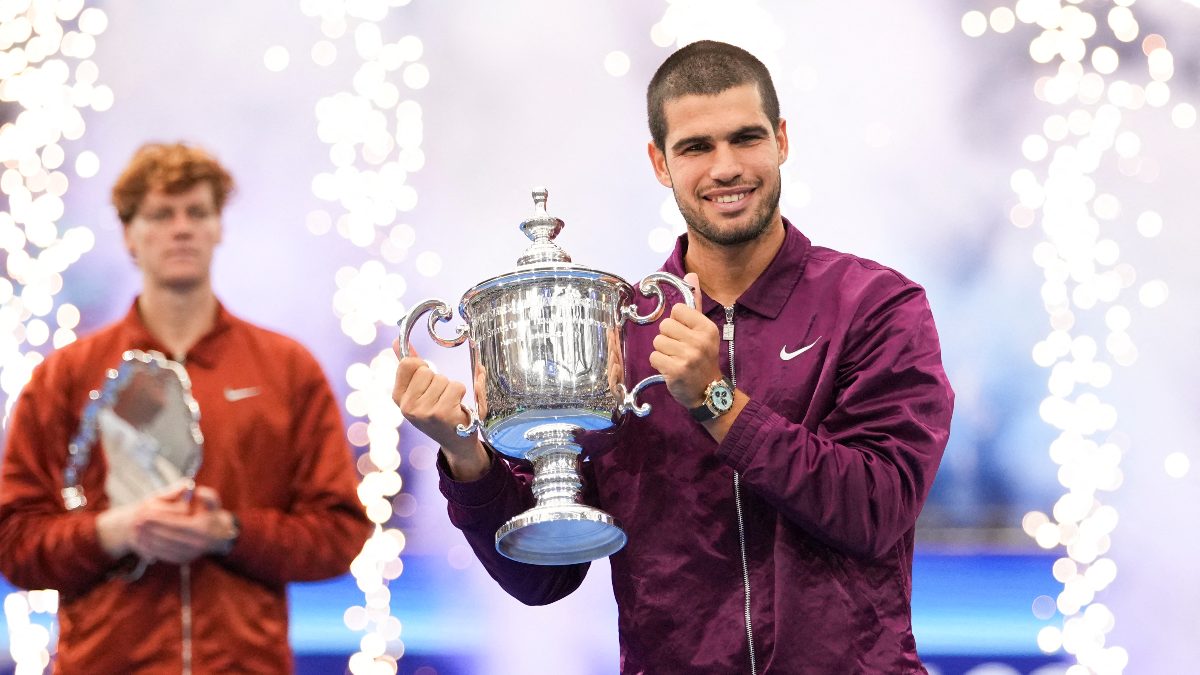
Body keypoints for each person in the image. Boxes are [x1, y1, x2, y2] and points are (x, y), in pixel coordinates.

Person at [392, 40, 954, 674]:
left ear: (783, 140)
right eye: (696, 147)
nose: (726, 168)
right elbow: (545, 577)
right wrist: (467, 458)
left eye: (746, 138)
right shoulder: (616, 332)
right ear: (660, 162)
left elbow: (874, 511)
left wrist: (718, 402)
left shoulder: (875, 306)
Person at [0, 143, 372, 674]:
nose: (181, 228)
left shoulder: (287, 369)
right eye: (160, 214)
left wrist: (229, 532)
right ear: (129, 234)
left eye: (197, 212)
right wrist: (118, 530)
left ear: (219, 227)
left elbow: (339, 535)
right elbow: (14, 542)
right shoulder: (67, 376)